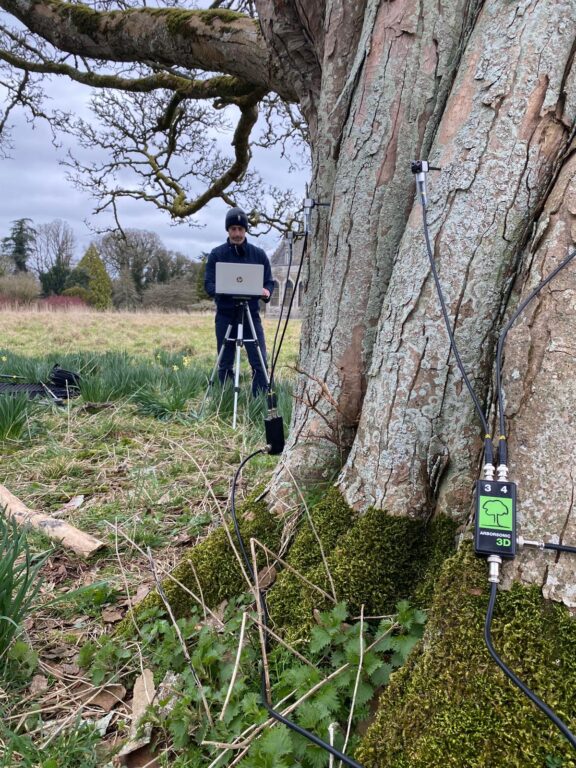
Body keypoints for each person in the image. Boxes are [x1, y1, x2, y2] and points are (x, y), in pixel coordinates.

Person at [204, 207, 274, 396]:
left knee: (259, 360)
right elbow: (208, 284)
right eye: (233, 229)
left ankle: (259, 400)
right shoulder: (217, 254)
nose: (237, 233)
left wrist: (266, 291)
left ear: (245, 230)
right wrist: (222, 290)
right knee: (225, 361)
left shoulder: (258, 255)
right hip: (226, 315)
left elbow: (269, 281)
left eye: (240, 229)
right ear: (228, 230)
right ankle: (225, 401)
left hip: (251, 314)